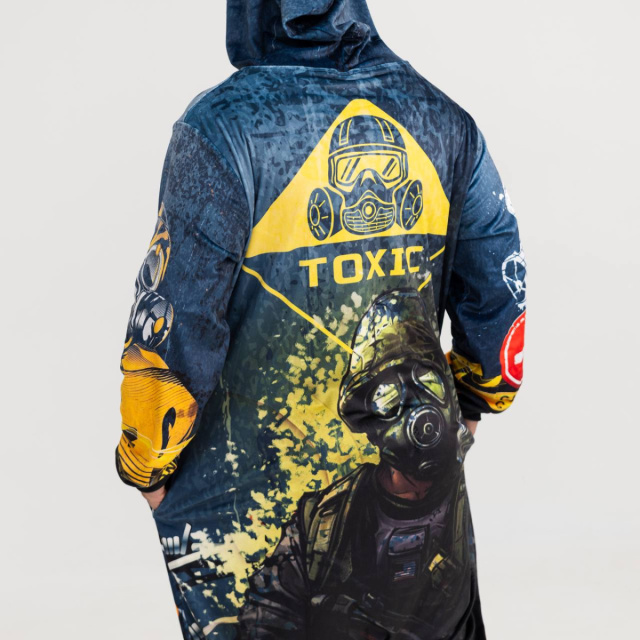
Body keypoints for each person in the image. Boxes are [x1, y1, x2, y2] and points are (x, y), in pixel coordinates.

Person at [115, 1, 527, 638]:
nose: (369, 192)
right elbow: (500, 304)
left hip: (238, 524)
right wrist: (467, 413)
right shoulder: (446, 122)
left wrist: (149, 467)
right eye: (354, 177)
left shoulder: (221, 131)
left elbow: (175, 327)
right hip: (414, 522)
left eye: (382, 177)